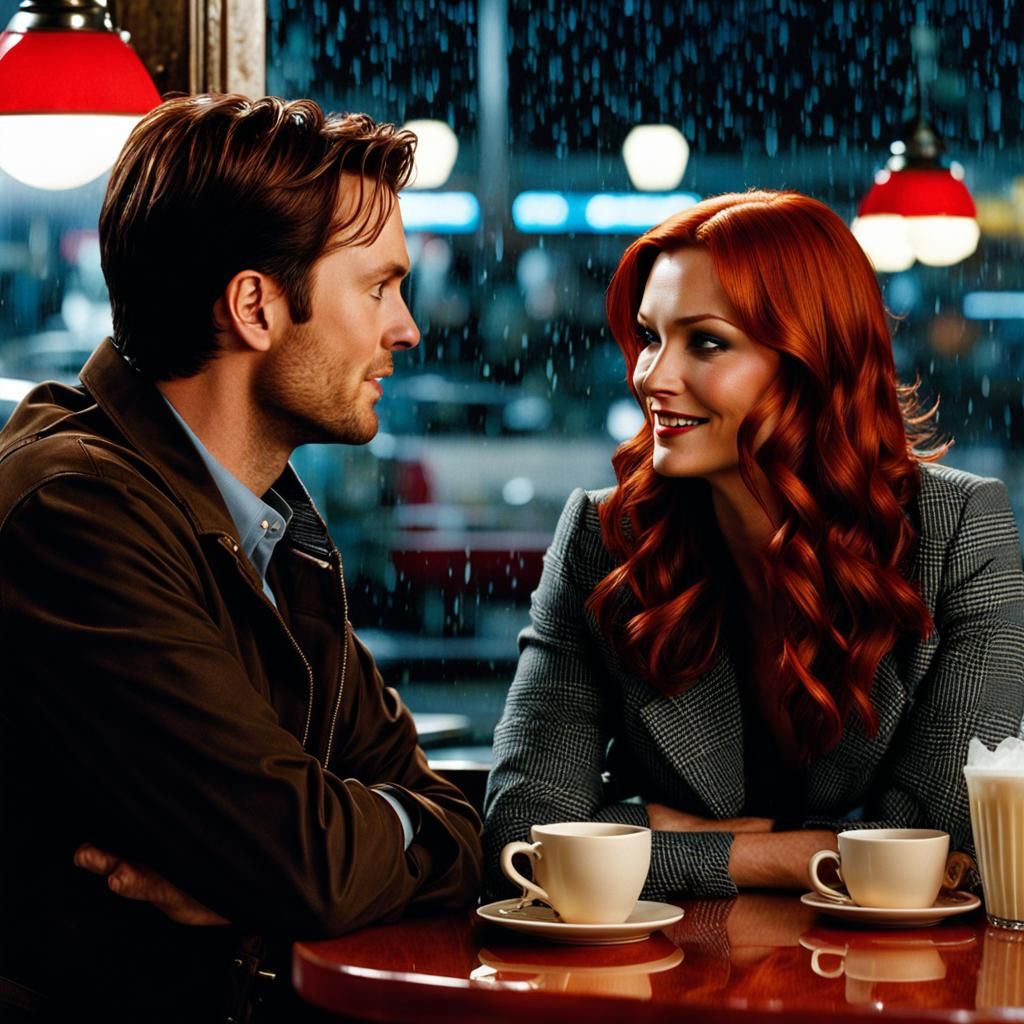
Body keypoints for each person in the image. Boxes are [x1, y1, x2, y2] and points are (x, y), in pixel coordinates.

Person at [0, 94, 482, 1022]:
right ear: (256, 305)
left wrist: (269, 882)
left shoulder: (274, 530)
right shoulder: (73, 508)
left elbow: (453, 821)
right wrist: (293, 874)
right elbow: (309, 861)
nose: (407, 328)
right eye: (379, 287)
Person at [484, 190, 1024, 902]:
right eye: (649, 336)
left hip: (891, 991)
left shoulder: (959, 530)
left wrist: (639, 837)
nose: (652, 376)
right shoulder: (603, 536)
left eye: (705, 342)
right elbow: (522, 836)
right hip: (668, 982)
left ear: (809, 362)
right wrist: (780, 857)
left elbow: (945, 851)